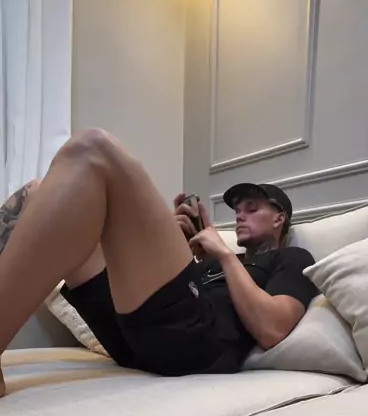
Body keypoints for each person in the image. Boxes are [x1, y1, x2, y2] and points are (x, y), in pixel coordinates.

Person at [0, 129, 317, 397]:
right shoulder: (222, 260)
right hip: (134, 336)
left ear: (279, 219)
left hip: (197, 346)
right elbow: (182, 291)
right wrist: (178, 244)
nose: (240, 216)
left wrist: (222, 253)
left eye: (252, 208)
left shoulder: (293, 257)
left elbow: (273, 328)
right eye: (238, 210)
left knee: (93, 149)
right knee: (33, 194)